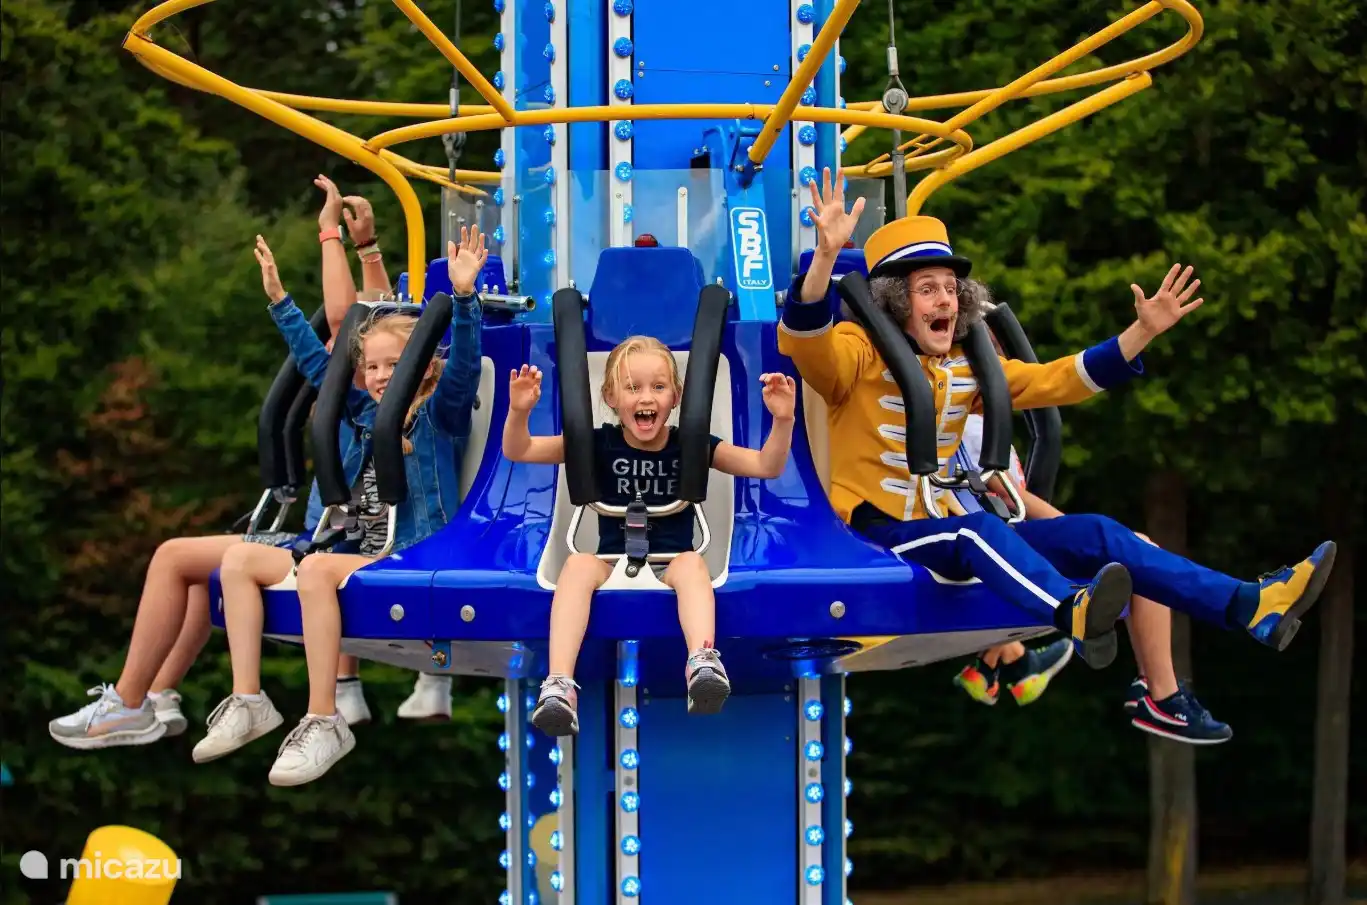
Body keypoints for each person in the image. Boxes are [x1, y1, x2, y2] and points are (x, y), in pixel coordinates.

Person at [778, 168, 1336, 672]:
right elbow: (807, 344)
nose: (945, 301)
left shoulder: (966, 369)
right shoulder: (859, 352)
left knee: (1098, 532)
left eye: (951, 289)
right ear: (895, 302)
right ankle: (1072, 612)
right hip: (875, 533)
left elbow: (1057, 380)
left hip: (943, 526)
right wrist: (825, 257)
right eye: (927, 290)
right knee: (978, 530)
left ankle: (1250, 605)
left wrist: (1140, 333)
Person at [48, 176, 388, 749]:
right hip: (317, 538)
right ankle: (155, 695)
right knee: (196, 575)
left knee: (174, 556)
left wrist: (335, 239)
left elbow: (353, 320)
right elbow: (359, 325)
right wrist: (343, 255)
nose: (347, 356)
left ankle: (133, 702)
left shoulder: (371, 403)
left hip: (328, 546)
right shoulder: (357, 393)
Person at [189, 226, 485, 785]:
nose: (380, 376)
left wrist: (465, 299)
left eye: (393, 365)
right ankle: (248, 699)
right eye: (372, 367)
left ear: (424, 366)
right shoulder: (365, 415)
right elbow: (319, 369)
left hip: (411, 554)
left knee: (318, 570)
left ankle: (324, 716)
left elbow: (465, 367)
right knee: (238, 561)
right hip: (360, 549)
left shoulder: (438, 415)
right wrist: (281, 302)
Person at [502, 337, 798, 735]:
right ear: (611, 397)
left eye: (658, 387)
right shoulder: (596, 443)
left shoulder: (690, 444)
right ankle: (559, 684)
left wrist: (783, 420)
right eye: (633, 387)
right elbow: (519, 449)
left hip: (670, 563)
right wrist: (519, 410)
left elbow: (766, 466)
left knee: (691, 563)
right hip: (612, 563)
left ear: (676, 397)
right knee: (577, 565)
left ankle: (702, 662)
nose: (646, 397)